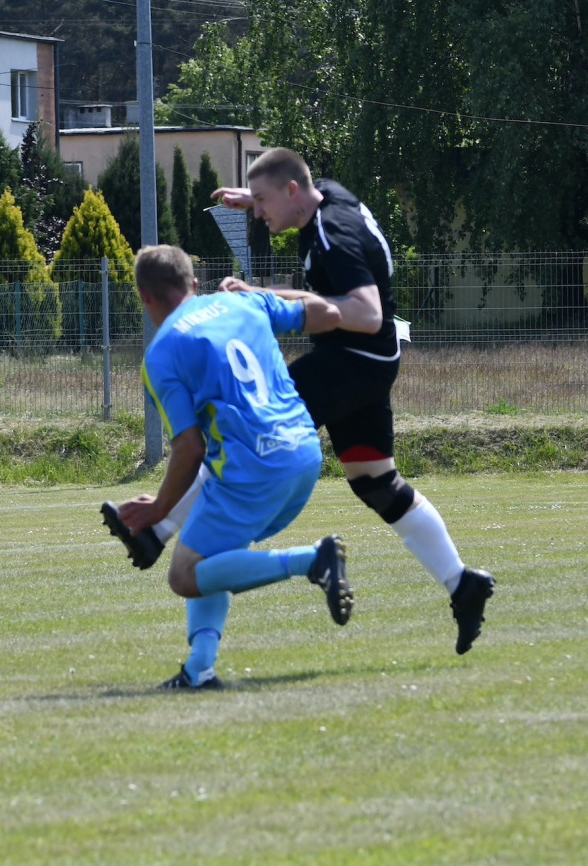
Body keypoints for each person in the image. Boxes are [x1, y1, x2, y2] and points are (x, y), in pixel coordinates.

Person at [103, 147, 494, 656]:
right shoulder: (325, 196)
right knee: (377, 484)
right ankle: (462, 582)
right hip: (371, 361)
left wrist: (262, 294)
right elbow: (302, 192)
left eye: (264, 202)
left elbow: (366, 311)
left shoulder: (332, 239)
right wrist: (253, 199)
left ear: (293, 193)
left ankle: (159, 531)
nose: (260, 214)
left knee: (252, 431)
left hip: (355, 358)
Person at [102, 243, 353, 690]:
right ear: (194, 284)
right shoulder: (242, 300)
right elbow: (327, 315)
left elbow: (189, 448)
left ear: (145, 297)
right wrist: (258, 291)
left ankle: (313, 560)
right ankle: (200, 669)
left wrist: (161, 507)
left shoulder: (162, 355)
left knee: (183, 575)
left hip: (252, 471)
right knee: (203, 555)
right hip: (304, 451)